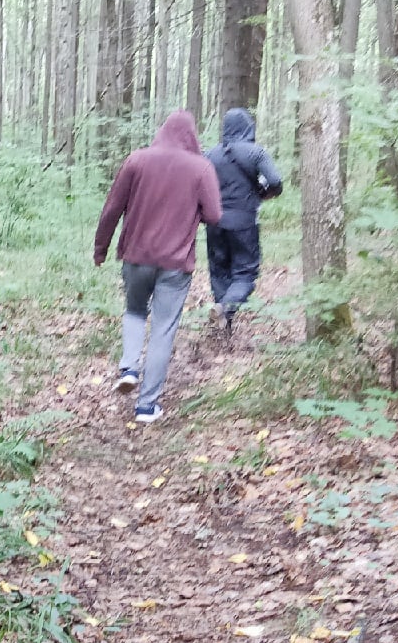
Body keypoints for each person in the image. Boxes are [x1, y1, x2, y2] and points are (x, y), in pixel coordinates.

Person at [93, 109, 222, 424]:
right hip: (176, 264)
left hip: (136, 257)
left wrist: (101, 247)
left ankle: (128, 368)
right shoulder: (201, 167)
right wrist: (191, 214)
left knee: (135, 311)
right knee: (163, 329)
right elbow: (215, 215)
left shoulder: (136, 160)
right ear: (191, 136)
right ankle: (147, 406)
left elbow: (112, 208)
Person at [205, 108, 284, 334]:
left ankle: (223, 323)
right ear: (248, 127)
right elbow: (276, 182)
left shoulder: (210, 155)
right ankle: (226, 308)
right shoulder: (255, 153)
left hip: (215, 222)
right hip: (244, 222)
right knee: (246, 273)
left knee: (219, 271)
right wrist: (263, 194)